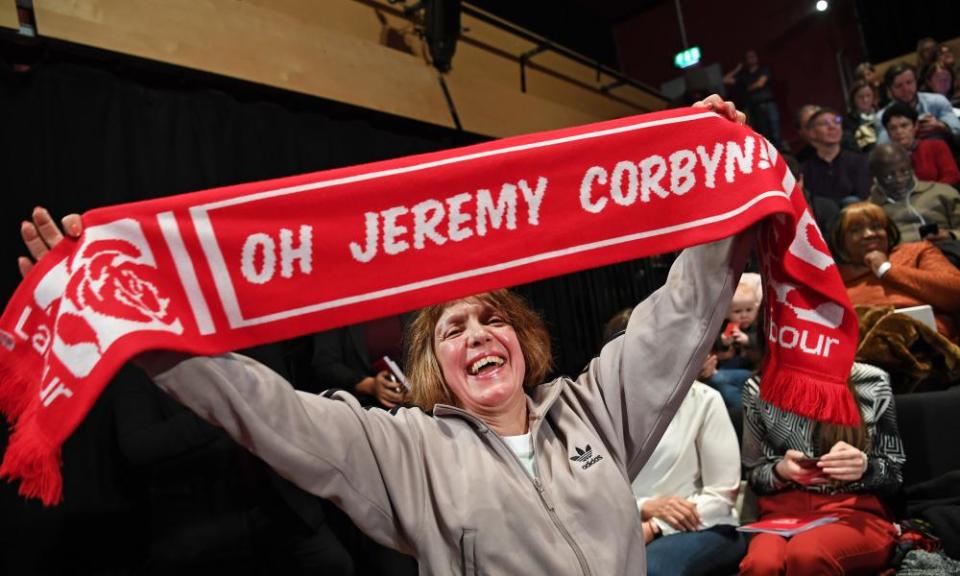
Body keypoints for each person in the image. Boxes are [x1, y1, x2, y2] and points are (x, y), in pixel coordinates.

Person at [13, 89, 756, 576]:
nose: (476, 335)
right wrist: (137, 324)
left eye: (492, 318)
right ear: (435, 366)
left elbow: (682, 315)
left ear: (525, 340)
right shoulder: (402, 450)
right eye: (453, 330)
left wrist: (721, 184)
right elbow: (260, 406)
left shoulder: (594, 408)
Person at [739, 362, 906, 575]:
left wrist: (866, 467)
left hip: (854, 511)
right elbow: (753, 474)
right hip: (783, 513)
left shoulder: (871, 380)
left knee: (807, 554)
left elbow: (894, 474)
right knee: (761, 564)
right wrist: (779, 471)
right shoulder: (758, 386)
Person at [632, 382, 746, 576]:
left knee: (652, 568)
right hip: (626, 522)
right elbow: (596, 490)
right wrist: (642, 507)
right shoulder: (607, 402)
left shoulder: (704, 399)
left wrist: (655, 526)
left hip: (704, 523)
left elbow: (722, 496)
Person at [833, 202, 960, 341]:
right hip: (864, 353)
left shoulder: (917, 252)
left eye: (876, 227)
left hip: (930, 344)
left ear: (888, 231)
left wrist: (886, 269)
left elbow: (955, 292)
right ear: (841, 240)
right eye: (855, 230)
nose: (868, 234)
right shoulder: (834, 277)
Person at [867, 143, 960, 243]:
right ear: (875, 176)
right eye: (889, 177)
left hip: (947, 249)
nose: (899, 180)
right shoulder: (871, 209)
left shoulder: (942, 192)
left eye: (905, 172)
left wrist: (952, 235)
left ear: (912, 167)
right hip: (901, 254)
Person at [800, 107, 872, 207]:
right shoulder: (805, 170)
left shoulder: (859, 161)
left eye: (836, 122)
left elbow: (864, 195)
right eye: (824, 124)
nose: (832, 127)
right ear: (812, 133)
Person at [876, 63, 960, 144]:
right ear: (890, 90)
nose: (906, 89)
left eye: (909, 82)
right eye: (899, 86)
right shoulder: (882, 116)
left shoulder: (936, 101)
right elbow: (883, 147)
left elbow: (957, 128)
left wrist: (941, 126)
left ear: (916, 82)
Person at [881, 103, 960, 186]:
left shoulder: (936, 146)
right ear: (888, 133)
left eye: (904, 125)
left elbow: (952, 176)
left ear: (915, 126)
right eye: (893, 128)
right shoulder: (885, 158)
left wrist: (927, 194)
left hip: (937, 196)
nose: (899, 132)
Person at [723, 49, 784, 149]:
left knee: (776, 131)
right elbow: (725, 79)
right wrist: (737, 69)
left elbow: (761, 83)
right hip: (755, 107)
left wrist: (748, 88)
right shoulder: (744, 75)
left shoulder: (764, 69)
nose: (751, 59)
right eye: (749, 57)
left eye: (753, 56)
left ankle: (783, 155)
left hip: (769, 103)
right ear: (746, 60)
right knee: (764, 133)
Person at [843, 80, 880, 152]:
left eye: (868, 96)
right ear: (853, 99)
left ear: (873, 97)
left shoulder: (881, 115)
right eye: (860, 97)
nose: (865, 100)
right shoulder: (847, 122)